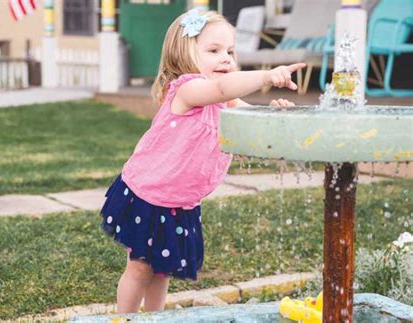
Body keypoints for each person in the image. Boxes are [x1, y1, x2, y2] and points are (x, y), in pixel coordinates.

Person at [99, 9, 306, 314]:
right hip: (149, 195)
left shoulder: (225, 100)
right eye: (213, 50)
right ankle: (124, 319)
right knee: (140, 269)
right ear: (184, 54)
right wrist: (265, 76)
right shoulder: (188, 89)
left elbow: (251, 117)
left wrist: (275, 111)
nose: (226, 58)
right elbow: (221, 88)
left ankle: (154, 319)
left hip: (180, 201)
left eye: (230, 51)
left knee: (161, 270)